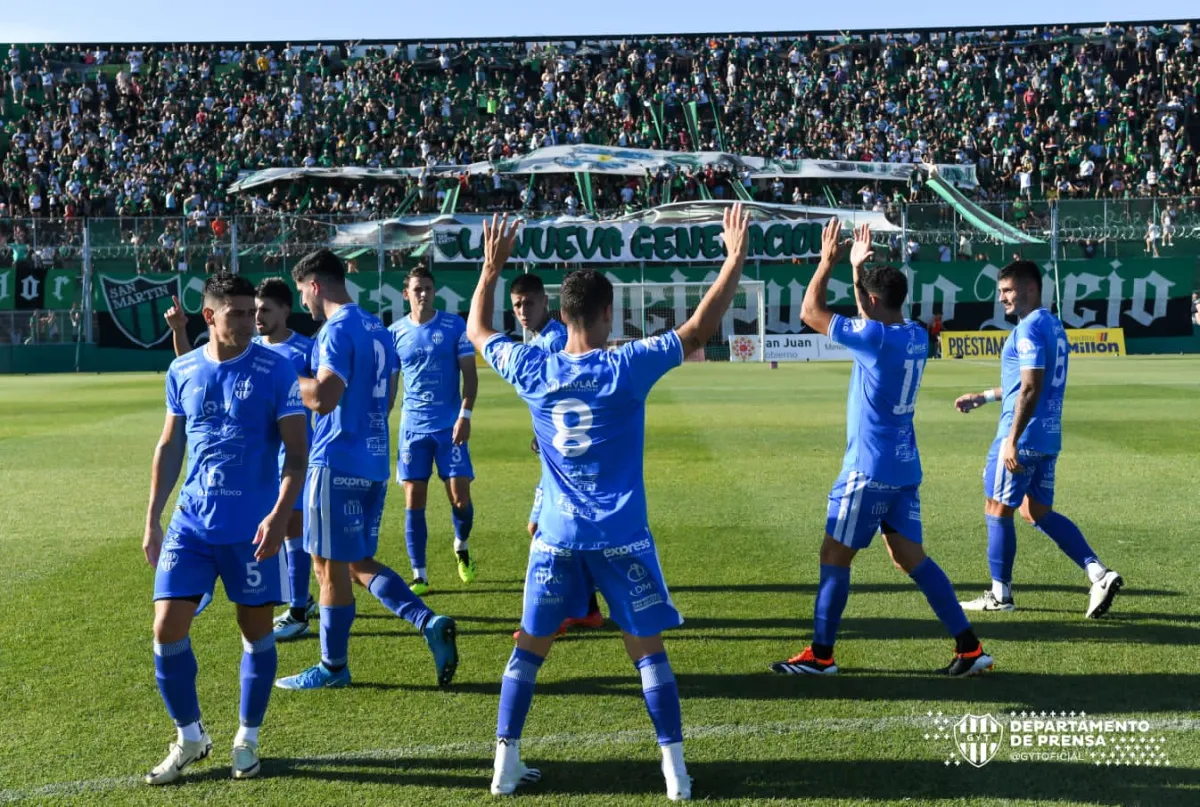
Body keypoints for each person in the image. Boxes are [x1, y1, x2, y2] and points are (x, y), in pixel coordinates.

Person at [466, 204, 752, 801]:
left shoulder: (533, 366)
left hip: (555, 536)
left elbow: (477, 332)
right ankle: (675, 773)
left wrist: (491, 270)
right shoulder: (625, 365)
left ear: (561, 313)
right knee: (647, 652)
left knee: (529, 648)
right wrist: (733, 259)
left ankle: (503, 765)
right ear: (606, 313)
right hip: (621, 536)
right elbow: (697, 330)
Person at [769, 220, 992, 679]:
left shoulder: (874, 338)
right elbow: (870, 317)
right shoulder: (915, 334)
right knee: (911, 558)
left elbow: (811, 311)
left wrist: (828, 262)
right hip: (904, 467)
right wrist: (857, 270)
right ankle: (970, 648)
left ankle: (821, 656)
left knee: (834, 556)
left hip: (868, 469)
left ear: (872, 301)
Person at [142, 271, 307, 784]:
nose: (249, 322)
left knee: (255, 633)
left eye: (251, 312)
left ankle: (247, 737)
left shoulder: (277, 369)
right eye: (236, 313)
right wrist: (153, 517)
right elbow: (171, 446)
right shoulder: (182, 369)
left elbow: (296, 454)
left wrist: (279, 515)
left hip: (251, 529)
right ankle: (190, 736)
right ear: (209, 316)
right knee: (166, 629)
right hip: (191, 524)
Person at [274, 249, 459, 691]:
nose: (303, 302)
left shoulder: (335, 329)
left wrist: (282, 379)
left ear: (315, 285)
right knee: (355, 562)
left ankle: (332, 667)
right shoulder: (377, 326)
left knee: (326, 567)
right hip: (373, 461)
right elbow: (390, 396)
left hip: (335, 460)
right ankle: (428, 622)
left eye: (302, 292)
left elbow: (323, 398)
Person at [954, 260, 1123, 618]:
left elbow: (1030, 388)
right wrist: (983, 396)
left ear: (1030, 288)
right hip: (1047, 437)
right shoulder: (1053, 326)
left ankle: (1000, 595)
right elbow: (1027, 384)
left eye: (1008, 291)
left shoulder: (1028, 328)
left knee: (996, 508)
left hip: (1024, 436)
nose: (1002, 298)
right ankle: (1099, 574)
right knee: (1036, 511)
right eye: (1001, 292)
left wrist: (1011, 439)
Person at [165, 281, 319, 639]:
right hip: (249, 463)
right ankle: (296, 598)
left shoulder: (300, 351)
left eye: (262, 311)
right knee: (283, 530)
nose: (256, 318)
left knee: (292, 529)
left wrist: (291, 386)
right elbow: (199, 373)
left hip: (290, 452)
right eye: (250, 311)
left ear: (285, 311)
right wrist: (180, 332)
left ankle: (298, 604)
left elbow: (323, 395)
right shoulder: (249, 348)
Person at [509, 272, 603, 639]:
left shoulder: (554, 341)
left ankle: (558, 614)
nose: (523, 311)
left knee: (544, 529)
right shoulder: (542, 340)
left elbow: (571, 390)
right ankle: (587, 609)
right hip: (558, 451)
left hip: (566, 455)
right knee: (556, 528)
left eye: (529, 303)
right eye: (517, 305)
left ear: (545, 303)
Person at [388, 266, 479, 594]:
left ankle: (461, 544)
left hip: (449, 426)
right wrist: (382, 418)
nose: (423, 294)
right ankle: (419, 574)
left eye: (428, 288)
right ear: (406, 294)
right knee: (414, 498)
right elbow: (391, 385)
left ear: (434, 291)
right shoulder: (394, 333)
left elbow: (470, 376)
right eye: (417, 289)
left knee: (460, 497)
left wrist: (465, 415)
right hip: (413, 429)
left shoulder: (454, 326)